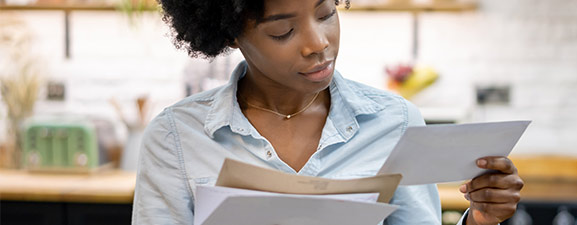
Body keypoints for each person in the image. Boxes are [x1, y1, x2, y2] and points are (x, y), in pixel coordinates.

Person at [131, 0, 524, 224]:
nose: (318, 44)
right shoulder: (176, 139)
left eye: (326, 13)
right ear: (230, 33)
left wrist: (480, 221)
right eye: (283, 32)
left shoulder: (394, 122)